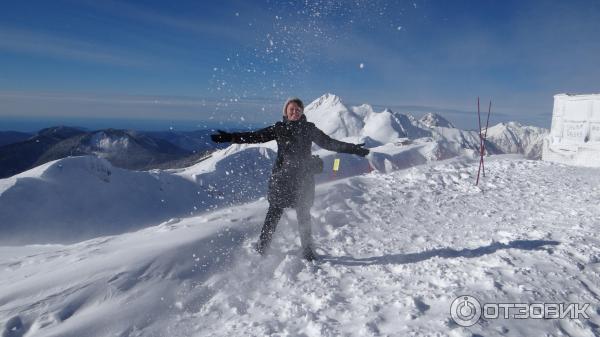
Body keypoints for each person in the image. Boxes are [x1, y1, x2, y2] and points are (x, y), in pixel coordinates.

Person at [211, 98, 369, 261]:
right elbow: (255, 136)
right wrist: (230, 137)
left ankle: (307, 251)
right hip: (282, 179)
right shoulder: (279, 129)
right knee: (273, 214)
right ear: (285, 111)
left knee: (303, 216)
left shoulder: (309, 129)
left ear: (302, 112)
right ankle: (262, 246)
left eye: (298, 109)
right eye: (291, 109)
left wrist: (353, 149)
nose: (295, 112)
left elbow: (329, 143)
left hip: (303, 180)